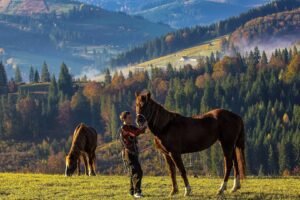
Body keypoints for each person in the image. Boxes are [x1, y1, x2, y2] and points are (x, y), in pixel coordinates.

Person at [119, 111, 147, 198]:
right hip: (128, 153)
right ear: (124, 119)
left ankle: (132, 191)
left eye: (131, 117)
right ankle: (137, 192)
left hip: (133, 152)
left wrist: (144, 125)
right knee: (138, 171)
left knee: (133, 172)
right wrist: (141, 128)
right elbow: (134, 133)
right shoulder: (124, 128)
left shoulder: (130, 127)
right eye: (129, 118)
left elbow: (141, 131)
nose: (131, 119)